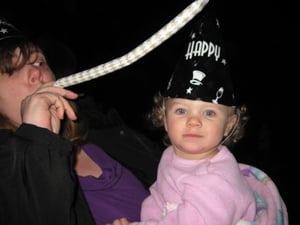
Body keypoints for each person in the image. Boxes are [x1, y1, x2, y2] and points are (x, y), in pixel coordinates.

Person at [107, 4, 258, 225]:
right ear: (164, 118)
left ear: (229, 124)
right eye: (180, 110)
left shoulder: (219, 180)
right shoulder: (171, 156)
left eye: (209, 112)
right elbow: (158, 198)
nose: (194, 121)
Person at [0, 16, 150, 225]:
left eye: (38, 61)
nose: (36, 72)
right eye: (11, 69)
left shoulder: (105, 131)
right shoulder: (8, 188)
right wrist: (38, 140)